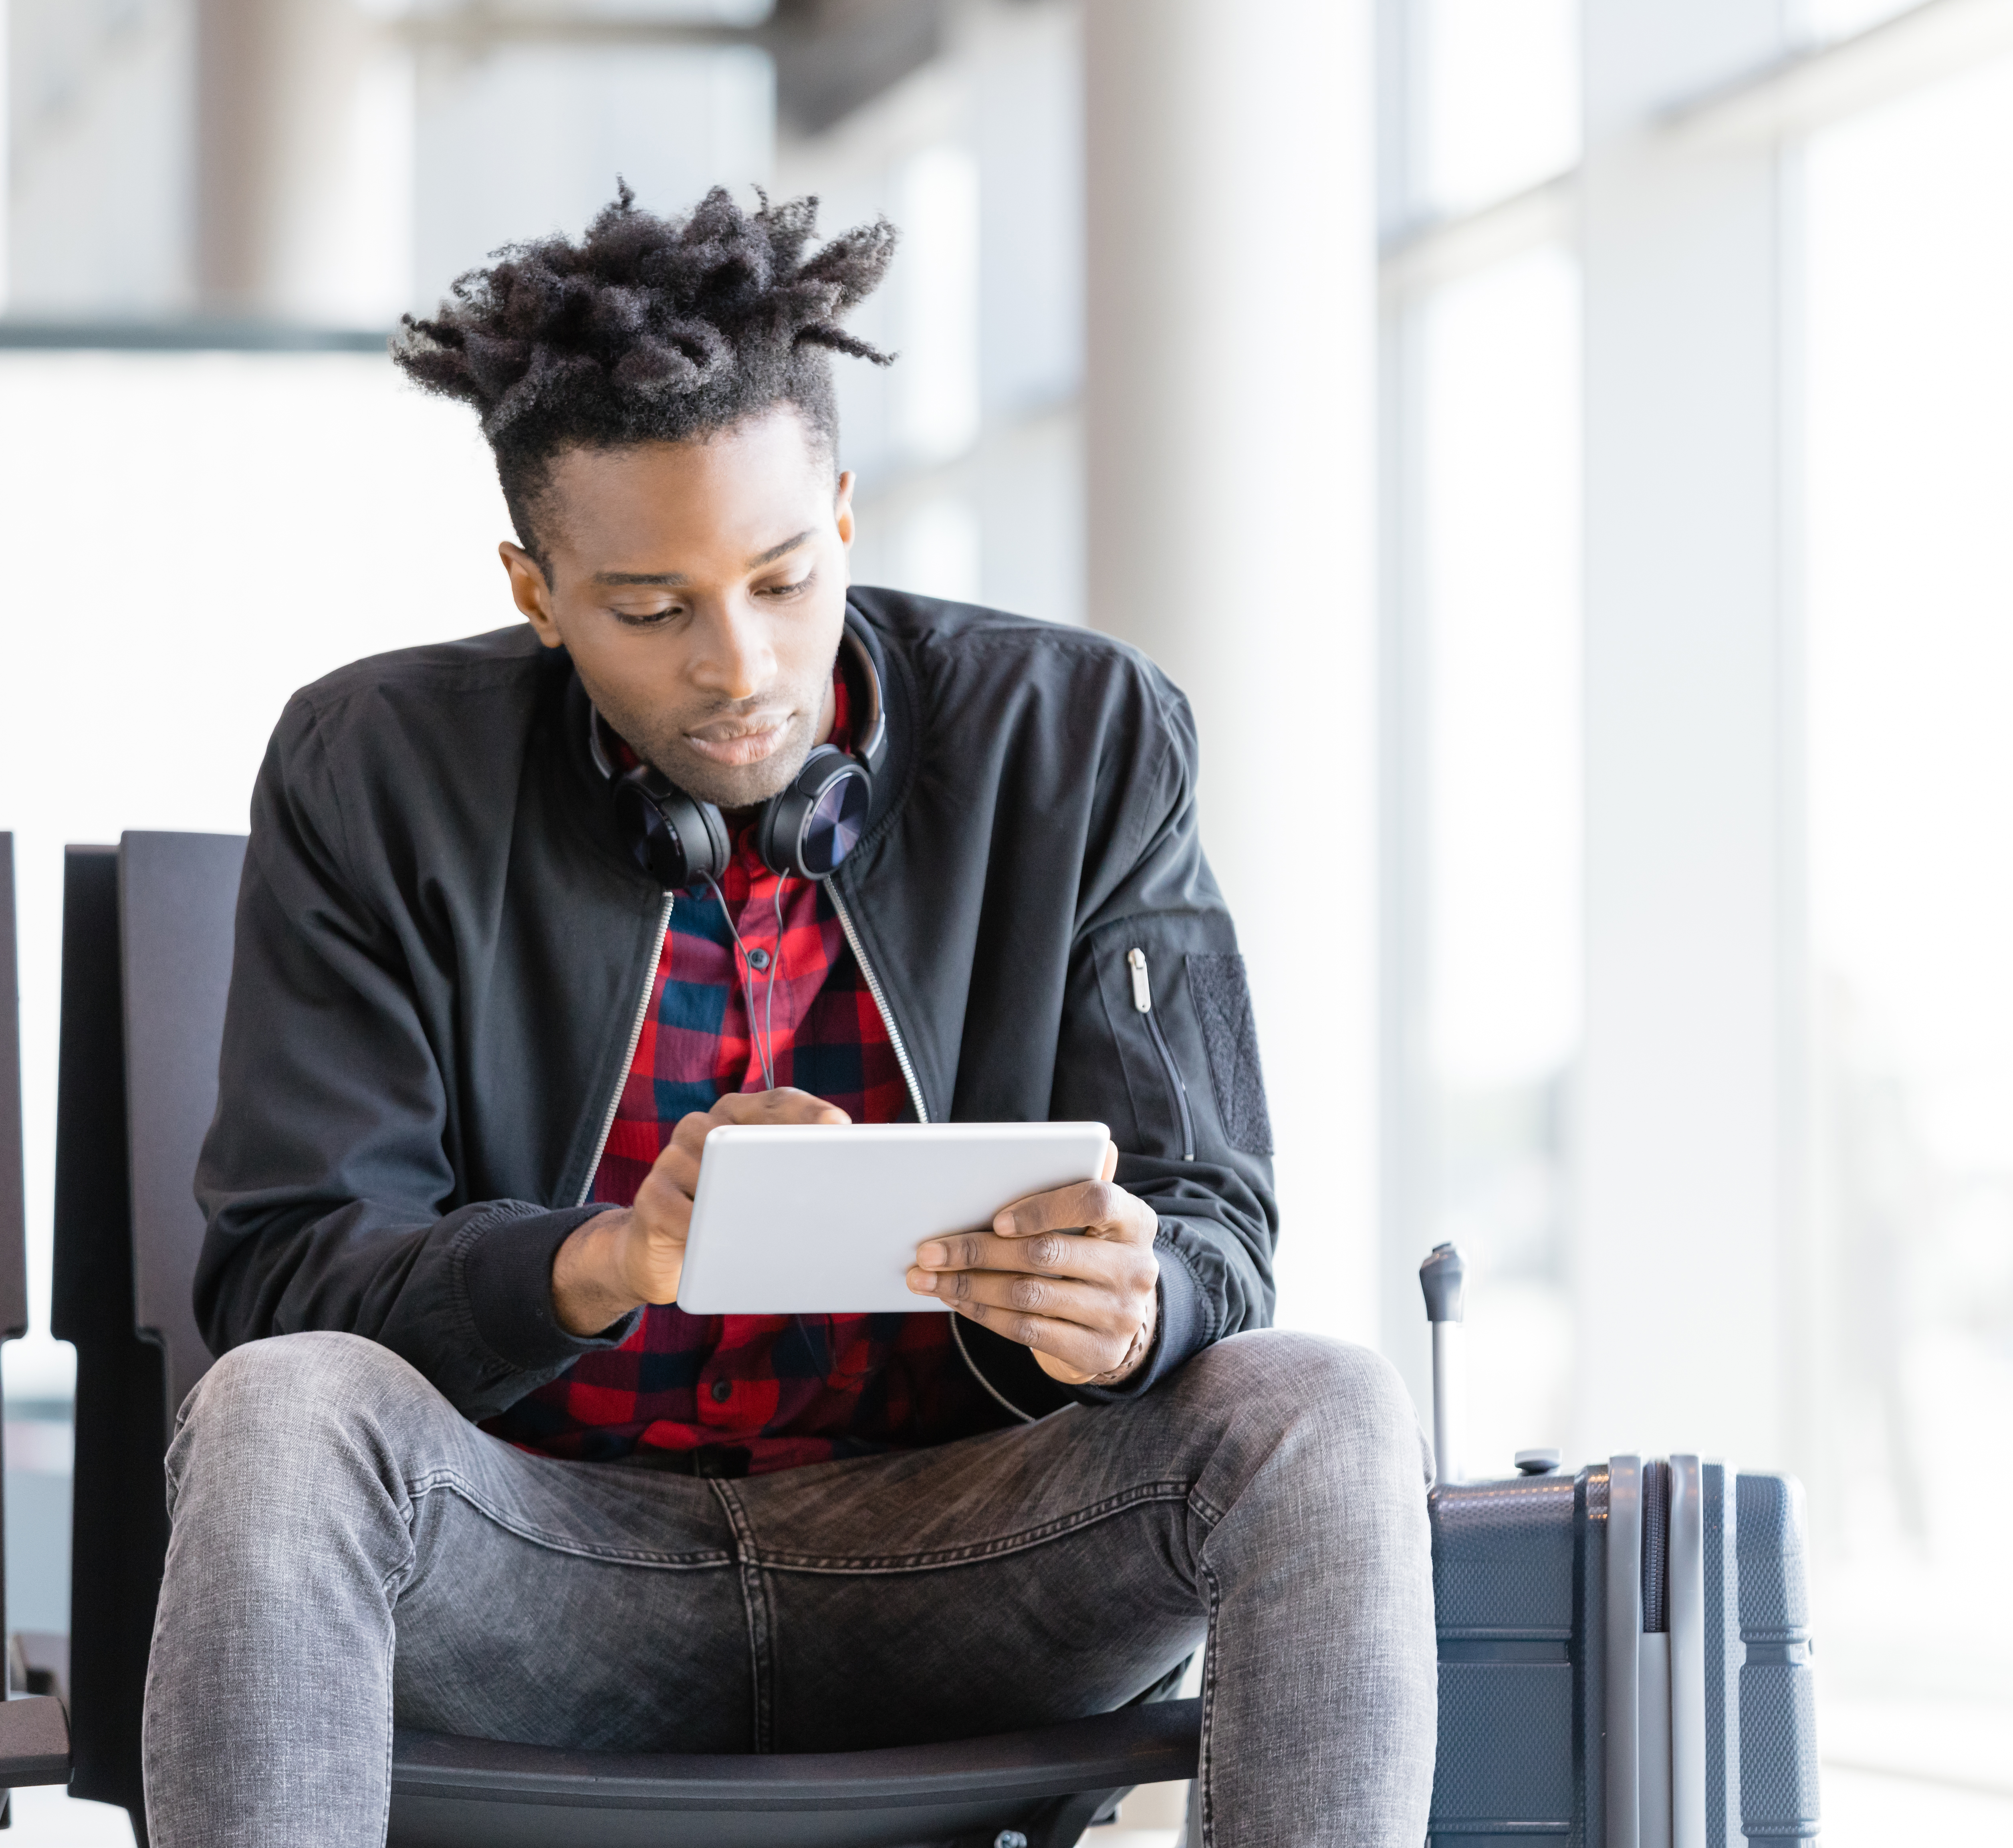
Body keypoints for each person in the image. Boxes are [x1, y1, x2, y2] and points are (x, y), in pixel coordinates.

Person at [143, 185, 1435, 1847]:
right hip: (543, 1562)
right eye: (651, 609)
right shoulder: (374, 770)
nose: (740, 666)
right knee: (278, 1412)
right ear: (536, 591)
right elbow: (284, 1275)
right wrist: (603, 1257)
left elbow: (1217, 1234)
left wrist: (1135, 1302)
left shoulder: (1084, 736)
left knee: (1324, 1406)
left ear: (841, 511)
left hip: (971, 1560)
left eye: (781, 577)